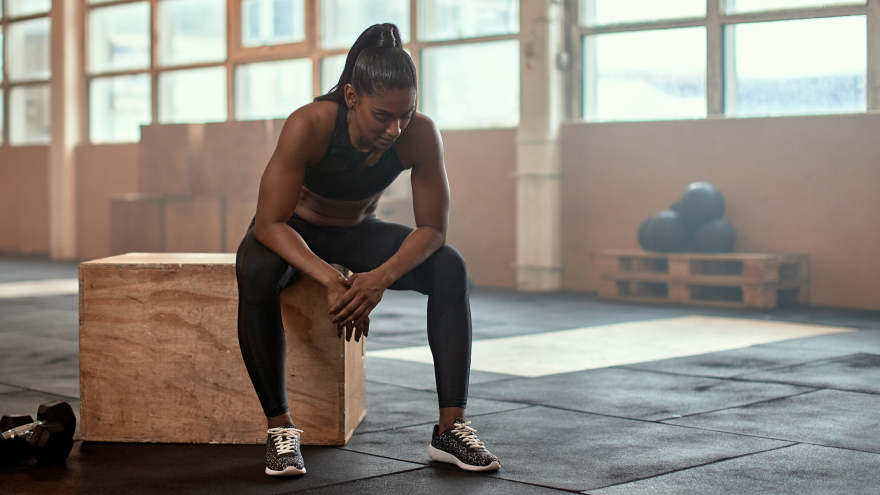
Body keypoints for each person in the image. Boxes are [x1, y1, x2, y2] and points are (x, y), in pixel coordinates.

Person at [235, 23, 500, 476]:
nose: (395, 129)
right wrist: (334, 281)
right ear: (352, 97)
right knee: (255, 270)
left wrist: (379, 279)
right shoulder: (310, 124)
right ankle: (280, 429)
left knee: (449, 268)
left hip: (358, 230)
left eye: (405, 114)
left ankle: (450, 428)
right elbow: (269, 223)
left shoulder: (420, 134)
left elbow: (433, 229)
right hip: (295, 230)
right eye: (383, 116)